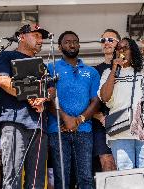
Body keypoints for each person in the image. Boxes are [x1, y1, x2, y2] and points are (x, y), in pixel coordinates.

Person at [0, 23, 49, 189]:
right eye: (36, 35)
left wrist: (43, 99)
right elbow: (3, 81)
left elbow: (49, 89)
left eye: (41, 37)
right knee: (13, 176)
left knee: (36, 181)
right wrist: (30, 96)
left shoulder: (42, 65)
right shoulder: (6, 56)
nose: (40, 40)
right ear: (21, 36)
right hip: (14, 122)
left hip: (38, 126)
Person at [98, 38, 144, 171]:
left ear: (133, 51)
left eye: (125, 48)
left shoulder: (143, 70)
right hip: (118, 125)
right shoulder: (108, 73)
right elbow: (105, 97)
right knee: (125, 171)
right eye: (119, 48)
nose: (121, 50)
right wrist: (114, 69)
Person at [47, 31, 100, 189]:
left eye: (75, 41)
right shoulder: (50, 68)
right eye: (67, 42)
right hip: (57, 130)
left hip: (84, 129)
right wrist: (65, 118)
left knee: (85, 177)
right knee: (62, 177)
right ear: (59, 47)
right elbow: (48, 99)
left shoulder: (92, 72)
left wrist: (78, 120)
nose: (72, 44)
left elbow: (96, 101)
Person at [92, 29, 119, 173]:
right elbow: (88, 100)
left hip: (125, 124)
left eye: (111, 39)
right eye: (103, 40)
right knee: (107, 165)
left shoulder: (128, 69)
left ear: (119, 44)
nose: (106, 43)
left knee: (125, 167)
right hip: (101, 126)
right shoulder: (94, 71)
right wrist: (100, 117)